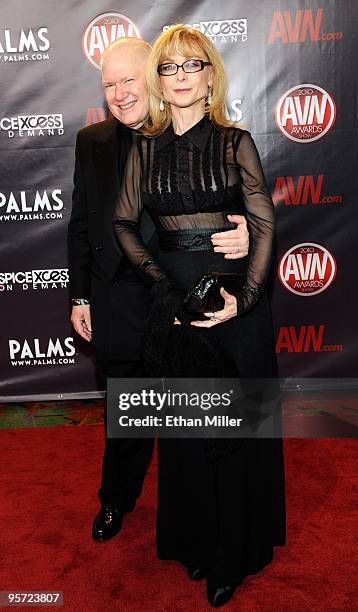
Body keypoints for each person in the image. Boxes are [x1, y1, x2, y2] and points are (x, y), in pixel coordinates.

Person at [113, 25, 286, 608]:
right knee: (189, 429)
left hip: (234, 302)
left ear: (210, 75)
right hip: (175, 303)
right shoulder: (143, 148)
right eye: (171, 67)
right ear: (159, 79)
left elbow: (262, 224)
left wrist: (249, 298)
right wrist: (161, 286)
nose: (183, 77)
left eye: (194, 66)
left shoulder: (236, 142)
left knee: (233, 430)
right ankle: (196, 541)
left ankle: (234, 553)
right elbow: (121, 224)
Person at [67, 37, 250, 543]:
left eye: (129, 80)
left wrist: (248, 234)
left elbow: (240, 207)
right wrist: (80, 296)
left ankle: (195, 517)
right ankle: (116, 499)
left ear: (152, 78)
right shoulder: (91, 141)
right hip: (119, 303)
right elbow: (81, 225)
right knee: (125, 413)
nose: (120, 93)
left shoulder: (190, 133)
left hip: (183, 299)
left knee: (191, 417)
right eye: (109, 84)